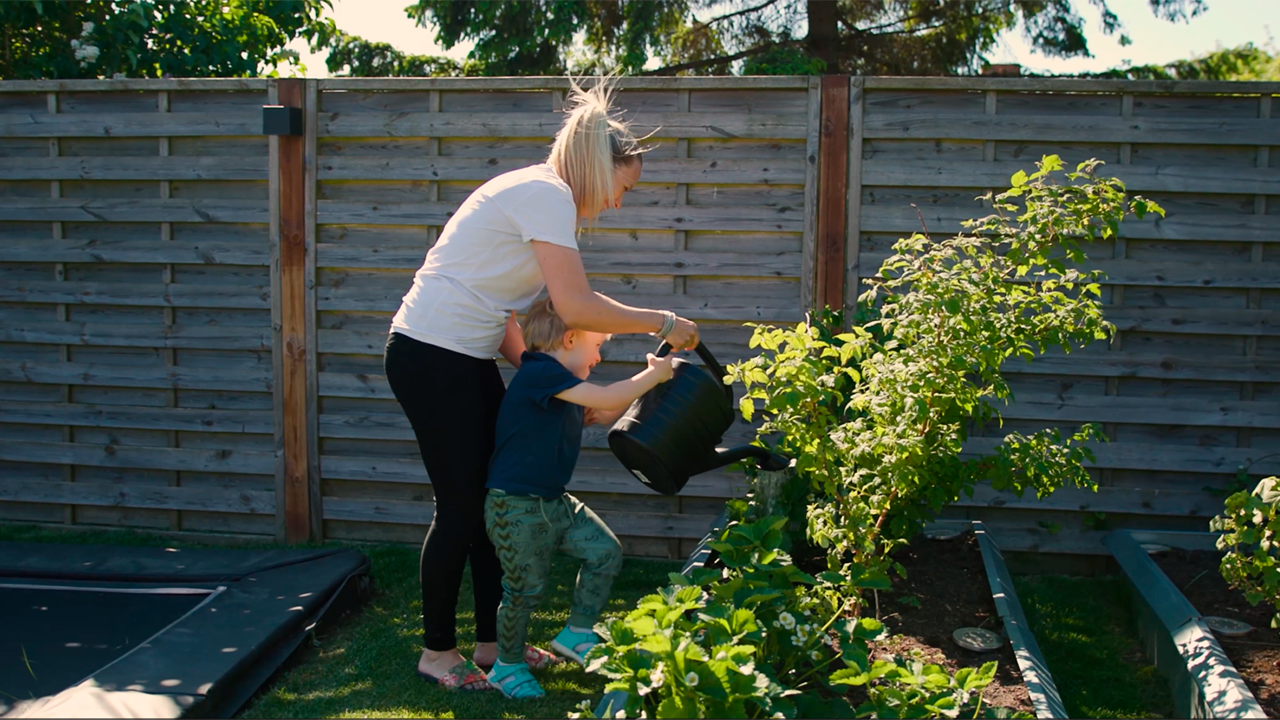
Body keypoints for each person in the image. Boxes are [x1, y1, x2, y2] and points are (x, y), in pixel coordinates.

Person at [383, 76, 699, 691]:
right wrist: (661, 321)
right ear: (596, 165)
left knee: (487, 496)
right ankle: (437, 652)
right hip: (429, 355)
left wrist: (543, 380)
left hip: (464, 356)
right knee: (459, 506)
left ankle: (490, 646)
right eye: (622, 188)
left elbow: (506, 312)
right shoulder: (545, 192)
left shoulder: (544, 203)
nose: (617, 203)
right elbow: (575, 308)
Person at [484, 297, 675, 699]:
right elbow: (604, 400)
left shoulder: (563, 388)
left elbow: (602, 411)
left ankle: (576, 632)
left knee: (605, 551)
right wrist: (650, 378)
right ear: (569, 339)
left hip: (553, 502)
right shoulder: (539, 374)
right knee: (524, 590)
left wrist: (650, 381)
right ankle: (506, 665)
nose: (600, 356)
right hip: (516, 506)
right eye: (598, 345)